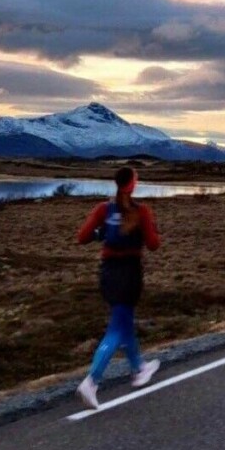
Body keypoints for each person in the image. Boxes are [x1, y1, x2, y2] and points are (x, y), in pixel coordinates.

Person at [75, 166, 161, 409]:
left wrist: (101, 233)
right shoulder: (141, 212)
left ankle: (139, 368)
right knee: (117, 328)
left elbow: (82, 237)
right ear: (132, 185)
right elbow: (154, 244)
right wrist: (150, 230)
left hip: (108, 273)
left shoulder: (103, 209)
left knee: (124, 321)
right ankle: (92, 381)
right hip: (129, 274)